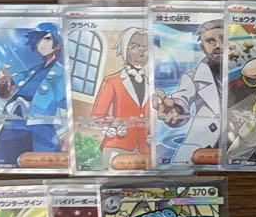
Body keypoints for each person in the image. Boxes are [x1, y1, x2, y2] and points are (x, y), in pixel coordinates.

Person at [0, 24, 66, 168]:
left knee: (39, 167)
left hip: (40, 129)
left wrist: (65, 132)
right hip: (12, 125)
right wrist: (1, 84)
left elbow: (67, 105)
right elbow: (6, 93)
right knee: (1, 165)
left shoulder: (62, 74)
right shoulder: (31, 72)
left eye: (47, 39)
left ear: (58, 42)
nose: (41, 44)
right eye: (38, 40)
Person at [152, 20, 224, 166]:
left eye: (223, 39)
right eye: (210, 41)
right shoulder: (192, 77)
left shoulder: (250, 72)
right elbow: (182, 98)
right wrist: (174, 110)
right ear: (202, 47)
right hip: (203, 145)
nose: (218, 45)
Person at [91, 27, 150, 168]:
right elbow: (97, 117)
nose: (141, 51)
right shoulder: (112, 81)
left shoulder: (152, 84)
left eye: (145, 48)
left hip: (146, 148)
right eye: (135, 47)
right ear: (124, 50)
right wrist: (115, 125)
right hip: (117, 145)